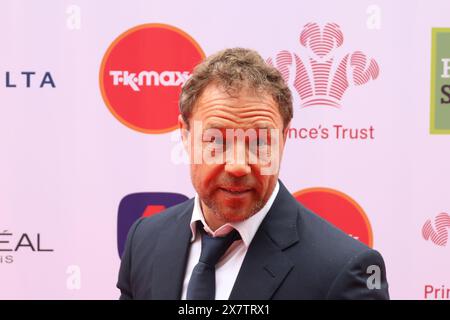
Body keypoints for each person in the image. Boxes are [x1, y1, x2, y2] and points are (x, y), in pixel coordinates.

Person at [117, 48, 389, 300]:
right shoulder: (144, 239)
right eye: (217, 141)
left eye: (259, 142)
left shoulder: (346, 269)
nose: (238, 165)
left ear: (284, 139)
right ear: (185, 135)